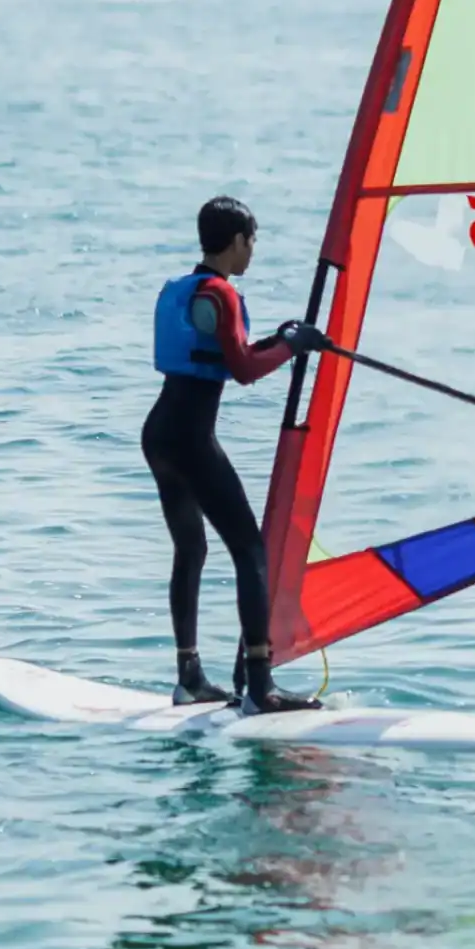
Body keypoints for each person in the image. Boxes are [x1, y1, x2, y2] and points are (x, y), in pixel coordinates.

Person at [143, 196, 321, 712]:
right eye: (252, 242)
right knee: (250, 551)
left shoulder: (182, 290)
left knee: (192, 551)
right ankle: (261, 686)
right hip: (192, 441)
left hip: (160, 434)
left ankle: (190, 676)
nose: (253, 253)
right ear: (237, 240)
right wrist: (292, 349)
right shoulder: (221, 294)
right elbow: (243, 370)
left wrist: (283, 339)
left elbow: (230, 353)